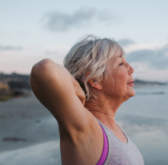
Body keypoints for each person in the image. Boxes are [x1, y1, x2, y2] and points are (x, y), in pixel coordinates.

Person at [30, 35, 144, 165]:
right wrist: (77, 88)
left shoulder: (112, 128)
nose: (131, 69)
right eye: (121, 63)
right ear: (95, 80)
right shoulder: (85, 128)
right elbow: (44, 69)